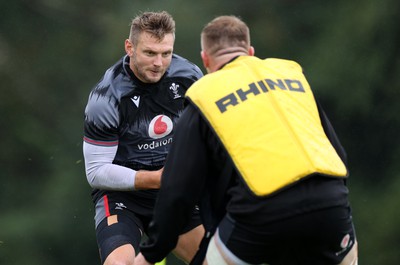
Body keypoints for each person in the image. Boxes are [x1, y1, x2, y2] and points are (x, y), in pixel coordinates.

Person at [135, 15, 358, 265]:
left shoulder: (204, 95)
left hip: (262, 212)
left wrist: (149, 254)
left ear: (205, 59)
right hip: (331, 204)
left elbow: (177, 191)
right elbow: (337, 154)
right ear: (250, 52)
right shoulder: (293, 77)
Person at [82, 11, 205, 265]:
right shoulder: (106, 97)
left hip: (173, 191)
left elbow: (207, 135)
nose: (159, 63)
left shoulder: (189, 76)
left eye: (166, 53)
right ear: (130, 47)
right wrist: (156, 178)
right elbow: (95, 172)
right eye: (150, 53)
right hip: (122, 196)